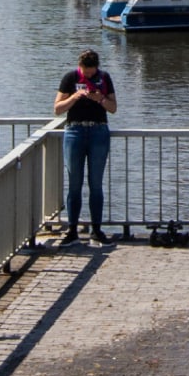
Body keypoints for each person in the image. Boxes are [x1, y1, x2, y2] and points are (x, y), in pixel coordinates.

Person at [54, 49, 118, 245]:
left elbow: (113, 108)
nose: (89, 76)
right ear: (80, 66)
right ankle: (72, 230)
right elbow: (57, 109)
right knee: (74, 182)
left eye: (91, 73)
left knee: (96, 183)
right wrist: (75, 97)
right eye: (85, 72)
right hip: (75, 131)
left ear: (96, 67)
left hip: (98, 132)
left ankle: (96, 230)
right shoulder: (70, 78)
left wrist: (99, 98)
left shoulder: (105, 77)